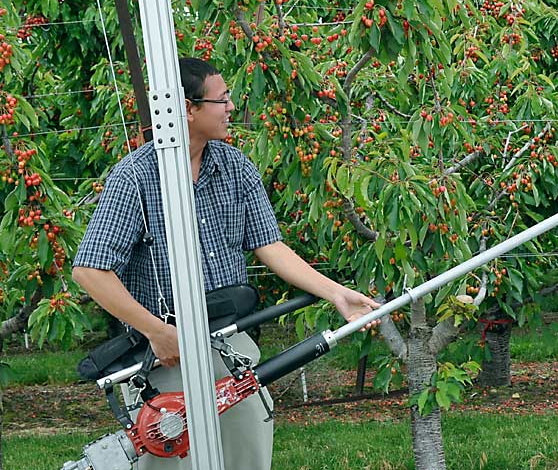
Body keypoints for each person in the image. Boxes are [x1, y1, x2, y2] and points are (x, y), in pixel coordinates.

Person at [73, 57, 380, 469]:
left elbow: (271, 247)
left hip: (229, 341)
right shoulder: (135, 178)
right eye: (222, 99)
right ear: (187, 107)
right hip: (166, 355)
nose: (231, 107)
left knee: (247, 448)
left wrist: (336, 294)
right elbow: (90, 270)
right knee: (168, 454)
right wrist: (157, 332)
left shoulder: (236, 167)